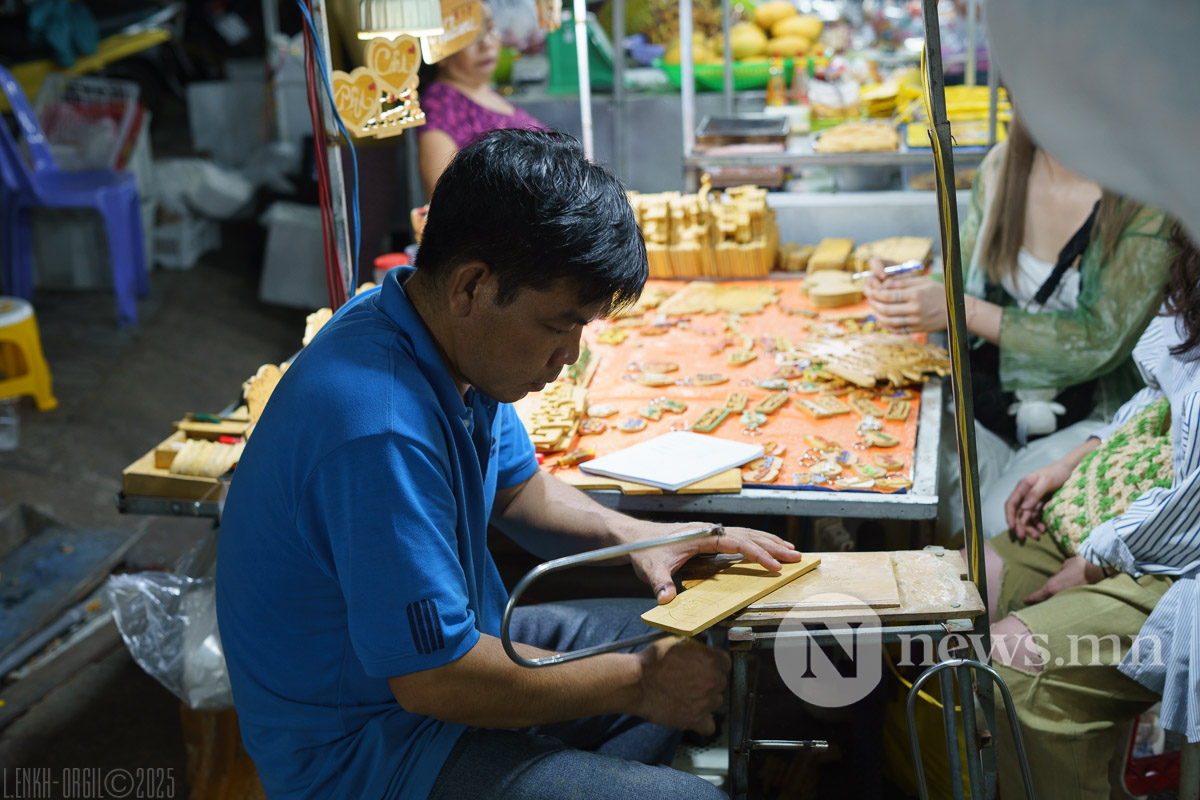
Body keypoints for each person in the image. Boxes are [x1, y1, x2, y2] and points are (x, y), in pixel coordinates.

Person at [215, 129, 803, 800]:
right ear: (473, 286)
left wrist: (650, 539)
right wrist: (640, 683)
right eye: (559, 326)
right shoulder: (377, 427)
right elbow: (438, 679)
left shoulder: (434, 336)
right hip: (373, 753)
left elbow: (521, 493)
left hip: (445, 657)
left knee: (691, 640)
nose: (569, 355)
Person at [864, 113, 1176, 542]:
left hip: (1091, 415)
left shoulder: (1145, 198)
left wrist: (960, 309)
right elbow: (964, 278)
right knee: (898, 471)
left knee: (998, 525)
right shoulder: (1001, 167)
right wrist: (908, 293)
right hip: (990, 400)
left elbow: (1099, 342)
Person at [985, 225, 1200, 799]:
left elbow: (1191, 510)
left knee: (1013, 660)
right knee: (964, 582)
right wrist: (1081, 459)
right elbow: (1163, 391)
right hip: (1139, 520)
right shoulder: (1189, 258)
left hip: (1183, 564)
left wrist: (1097, 559)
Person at [416, 2, 547, 199]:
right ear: (438, 49)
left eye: (490, 27)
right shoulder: (441, 107)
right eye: (469, 35)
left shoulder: (482, 90)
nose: (486, 42)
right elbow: (446, 204)